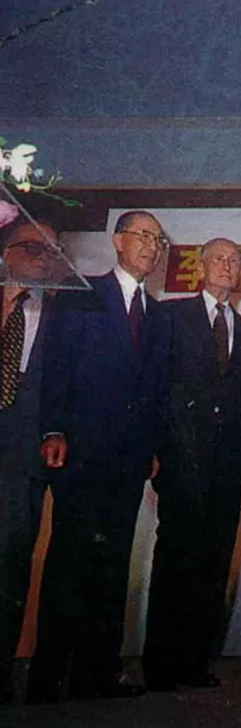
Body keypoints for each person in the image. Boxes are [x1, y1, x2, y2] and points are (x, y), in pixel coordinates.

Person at [29, 210, 172, 702]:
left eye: (159, 240)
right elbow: (55, 368)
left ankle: (96, 674)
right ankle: (48, 677)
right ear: (117, 241)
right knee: (70, 562)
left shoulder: (158, 316)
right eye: (143, 236)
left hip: (130, 462)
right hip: (81, 454)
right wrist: (54, 428)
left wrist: (152, 448)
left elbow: (155, 392)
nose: (151, 246)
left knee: (113, 566)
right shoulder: (83, 295)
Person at [143, 238, 241, 691]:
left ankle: (196, 662)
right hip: (180, 458)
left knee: (215, 559)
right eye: (219, 259)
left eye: (235, 261)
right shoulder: (171, 316)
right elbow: (155, 386)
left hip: (228, 467)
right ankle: (161, 664)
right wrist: (155, 448)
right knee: (177, 556)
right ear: (201, 267)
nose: (227, 267)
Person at [0, 218, 59, 703]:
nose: (44, 258)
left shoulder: (63, 314)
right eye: (34, 248)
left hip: (22, 457)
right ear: (6, 252)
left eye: (53, 251)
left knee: (10, 559)